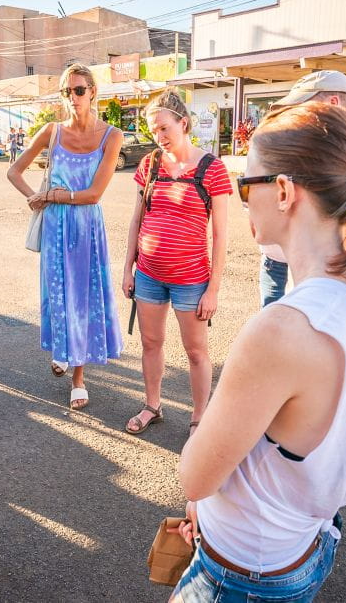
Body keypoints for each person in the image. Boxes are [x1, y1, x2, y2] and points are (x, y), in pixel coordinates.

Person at [171, 102, 346, 601]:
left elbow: (195, 475)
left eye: (247, 185)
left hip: (243, 570)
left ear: (285, 191)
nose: (242, 198)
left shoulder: (284, 330)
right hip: (301, 545)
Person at [6, 63, 124, 409]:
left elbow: (94, 194)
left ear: (93, 92)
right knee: (58, 293)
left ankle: (79, 376)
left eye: (79, 90)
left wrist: (55, 196)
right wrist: (35, 196)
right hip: (56, 228)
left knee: (83, 298)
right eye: (67, 91)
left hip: (87, 227)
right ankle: (63, 348)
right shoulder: (52, 131)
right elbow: (14, 171)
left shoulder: (111, 135)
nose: (73, 97)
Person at [121, 89, 231, 436]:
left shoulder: (212, 169)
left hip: (191, 280)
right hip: (150, 275)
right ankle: (152, 405)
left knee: (196, 351)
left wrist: (212, 290)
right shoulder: (149, 165)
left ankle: (200, 418)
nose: (159, 137)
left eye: (164, 128)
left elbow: (221, 236)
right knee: (151, 344)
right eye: (154, 131)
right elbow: (137, 220)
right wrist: (128, 270)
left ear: (183, 123)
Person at [257, 70, 346, 307]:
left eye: (302, 108)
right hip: (305, 280)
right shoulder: (307, 153)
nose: (294, 117)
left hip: (337, 289)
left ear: (333, 104)